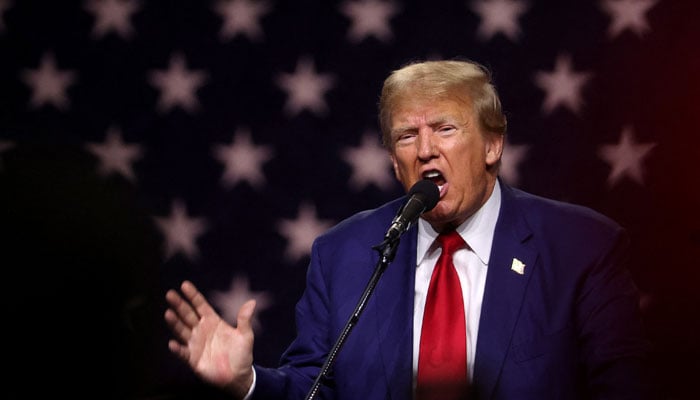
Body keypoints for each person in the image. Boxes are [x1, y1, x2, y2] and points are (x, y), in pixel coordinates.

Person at [164, 59, 651, 399]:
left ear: (492, 146)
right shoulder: (344, 254)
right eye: (406, 135)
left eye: (445, 128)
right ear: (395, 163)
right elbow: (315, 389)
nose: (425, 150)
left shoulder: (580, 247)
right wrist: (247, 383)